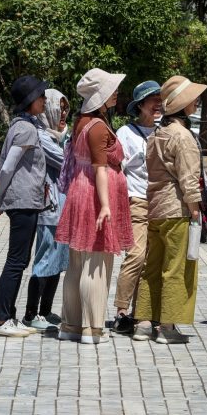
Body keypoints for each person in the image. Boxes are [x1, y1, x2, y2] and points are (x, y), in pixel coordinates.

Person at [55, 68, 134, 344]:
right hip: (93, 194)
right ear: (99, 97)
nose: (116, 94)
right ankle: (91, 327)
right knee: (96, 263)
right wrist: (105, 205)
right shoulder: (99, 126)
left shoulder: (81, 121)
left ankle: (70, 325)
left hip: (80, 189)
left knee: (78, 262)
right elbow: (101, 168)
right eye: (111, 90)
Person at [133, 76, 206, 344]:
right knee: (176, 268)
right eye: (193, 98)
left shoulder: (157, 134)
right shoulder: (183, 136)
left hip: (155, 207)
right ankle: (167, 327)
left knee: (151, 267)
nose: (196, 101)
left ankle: (142, 323)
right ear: (183, 105)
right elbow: (188, 180)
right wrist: (195, 210)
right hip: (176, 209)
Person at [0, 75, 50, 337]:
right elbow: (7, 167)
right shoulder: (25, 129)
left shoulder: (27, 125)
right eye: (41, 96)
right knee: (16, 260)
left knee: (20, 259)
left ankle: (8, 315)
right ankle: (1, 318)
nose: (45, 100)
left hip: (27, 200)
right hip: (23, 200)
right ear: (30, 101)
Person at [112, 80, 162, 335]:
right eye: (153, 99)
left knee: (153, 261)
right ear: (140, 105)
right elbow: (116, 170)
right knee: (137, 255)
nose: (158, 103)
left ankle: (143, 311)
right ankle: (121, 311)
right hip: (137, 201)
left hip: (162, 203)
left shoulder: (165, 131)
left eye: (160, 98)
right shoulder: (125, 133)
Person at [22, 89, 70, 331]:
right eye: (58, 108)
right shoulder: (42, 137)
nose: (62, 114)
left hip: (63, 207)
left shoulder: (60, 136)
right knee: (44, 260)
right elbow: (66, 162)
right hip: (49, 207)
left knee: (58, 261)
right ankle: (31, 314)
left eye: (65, 109)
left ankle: (46, 310)